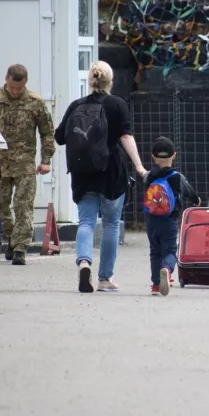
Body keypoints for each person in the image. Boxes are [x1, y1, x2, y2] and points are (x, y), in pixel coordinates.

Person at [55, 61, 146, 293]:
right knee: (111, 224)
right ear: (110, 82)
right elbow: (125, 136)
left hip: (83, 172)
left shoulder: (76, 105)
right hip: (111, 172)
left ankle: (84, 261)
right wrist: (139, 166)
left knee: (86, 221)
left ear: (90, 81)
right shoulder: (117, 104)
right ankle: (105, 278)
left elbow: (59, 137)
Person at [0, 64, 56, 266]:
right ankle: (11, 236)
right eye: (12, 88)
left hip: (25, 164)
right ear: (6, 79)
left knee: (23, 206)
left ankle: (20, 248)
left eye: (19, 88)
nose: (16, 92)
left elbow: (47, 132)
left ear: (25, 83)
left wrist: (45, 160)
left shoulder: (34, 102)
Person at [141, 136, 200, 296]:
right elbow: (190, 192)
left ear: (153, 156)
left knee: (155, 251)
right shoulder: (176, 176)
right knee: (170, 251)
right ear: (174, 155)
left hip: (151, 220)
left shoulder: (148, 176)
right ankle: (167, 269)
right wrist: (196, 200)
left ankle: (155, 285)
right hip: (169, 220)